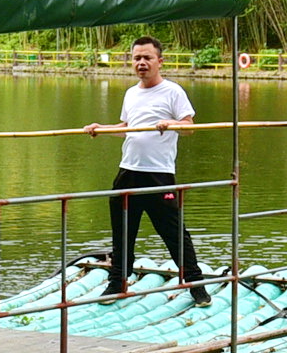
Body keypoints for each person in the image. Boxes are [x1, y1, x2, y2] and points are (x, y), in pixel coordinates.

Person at [85, 35, 213, 309]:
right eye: (137, 58)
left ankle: (195, 284)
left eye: (147, 58)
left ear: (159, 61)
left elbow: (189, 126)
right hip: (128, 173)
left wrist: (172, 123)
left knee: (175, 235)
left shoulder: (173, 92)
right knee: (122, 233)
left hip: (159, 176)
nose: (141, 63)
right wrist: (101, 129)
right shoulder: (131, 93)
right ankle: (117, 282)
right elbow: (126, 128)